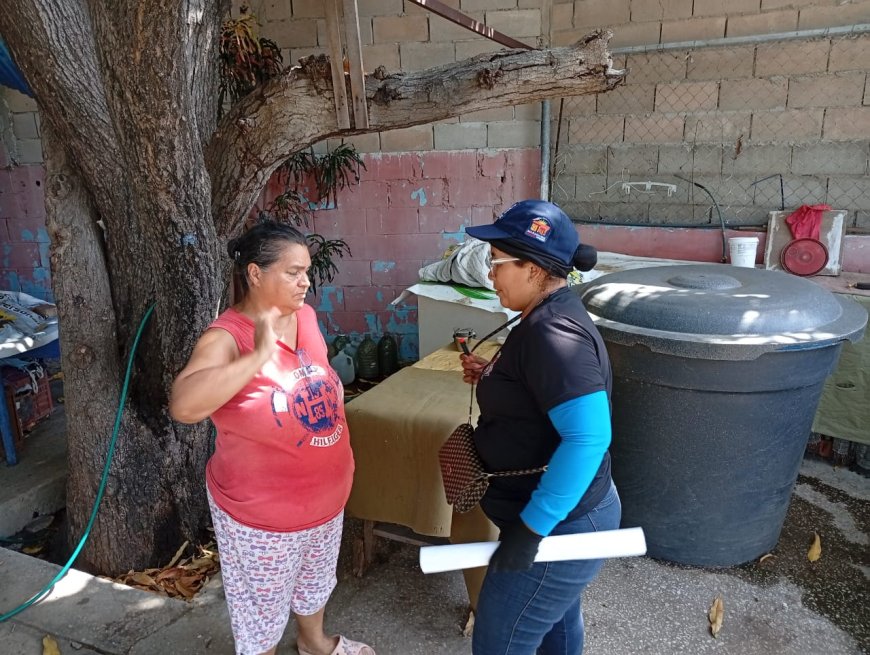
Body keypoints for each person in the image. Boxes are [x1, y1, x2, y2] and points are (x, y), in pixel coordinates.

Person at [169, 220, 374, 655]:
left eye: (307, 271)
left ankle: (313, 642)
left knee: (315, 582)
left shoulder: (306, 317)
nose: (306, 282)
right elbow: (184, 406)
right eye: (293, 272)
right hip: (262, 517)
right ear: (256, 274)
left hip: (325, 499)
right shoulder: (228, 336)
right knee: (261, 610)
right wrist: (258, 355)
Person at [459, 200, 620, 655]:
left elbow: (589, 437)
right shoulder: (542, 315)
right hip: (560, 518)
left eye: (496, 263)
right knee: (553, 623)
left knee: (500, 643)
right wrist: (495, 376)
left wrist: (532, 529)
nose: (490, 275)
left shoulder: (554, 334)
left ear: (532, 269)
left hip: (562, 523)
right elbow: (539, 391)